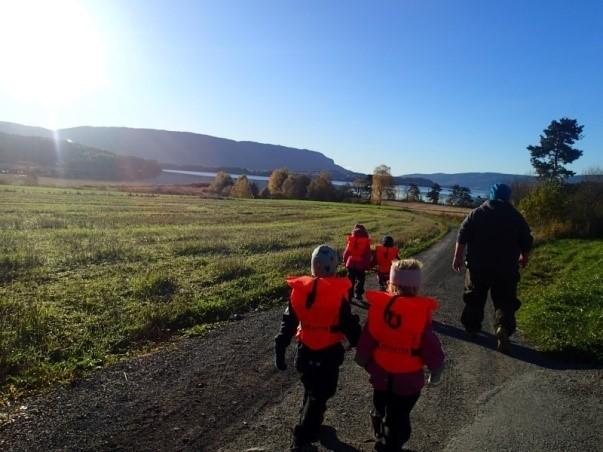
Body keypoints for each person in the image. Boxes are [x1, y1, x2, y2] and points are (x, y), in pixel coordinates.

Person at [274, 244, 361, 451]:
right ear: (332, 267)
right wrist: (363, 346)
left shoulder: (299, 291)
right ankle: (302, 438)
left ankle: (312, 424)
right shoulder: (337, 295)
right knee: (321, 393)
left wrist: (281, 345)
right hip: (328, 354)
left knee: (311, 389)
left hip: (304, 351)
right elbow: (349, 325)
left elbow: (288, 322)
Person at [355, 258, 444, 452]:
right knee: (399, 417)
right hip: (408, 379)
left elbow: (368, 336)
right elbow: (431, 346)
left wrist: (362, 358)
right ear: (416, 286)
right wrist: (436, 369)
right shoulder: (418, 313)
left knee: (382, 403)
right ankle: (390, 443)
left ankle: (380, 425)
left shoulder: (380, 308)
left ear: (391, 283)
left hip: (380, 374)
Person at [452, 183, 533, 352]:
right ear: (508, 197)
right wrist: (523, 257)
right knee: (505, 300)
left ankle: (472, 328)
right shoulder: (515, 216)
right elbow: (526, 239)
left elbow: (462, 235)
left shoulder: (477, 213)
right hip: (506, 268)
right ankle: (502, 327)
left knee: (474, 297)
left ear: (491, 195)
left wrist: (457, 257)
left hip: (478, 267)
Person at [343, 223, 372, 300]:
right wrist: (367, 264)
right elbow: (368, 255)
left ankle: (349, 294)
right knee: (361, 279)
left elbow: (346, 253)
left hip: (350, 263)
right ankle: (358, 293)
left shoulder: (351, 241)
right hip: (361, 264)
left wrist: (345, 261)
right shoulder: (366, 242)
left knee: (350, 280)